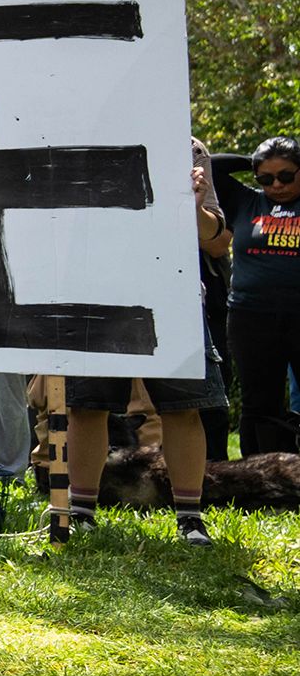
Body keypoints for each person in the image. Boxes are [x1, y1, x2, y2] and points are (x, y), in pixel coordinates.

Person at [60, 155, 237, 544]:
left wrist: (193, 204)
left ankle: (190, 518)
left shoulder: (186, 144)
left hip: (172, 295)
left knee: (182, 408)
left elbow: (215, 237)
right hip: (95, 292)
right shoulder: (81, 135)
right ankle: (81, 513)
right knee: (87, 406)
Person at [210, 136, 300, 457]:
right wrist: (254, 159)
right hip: (252, 318)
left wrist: (266, 162)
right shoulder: (247, 201)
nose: (276, 184)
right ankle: (259, 473)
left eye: (286, 176)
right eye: (266, 178)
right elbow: (208, 165)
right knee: (259, 402)